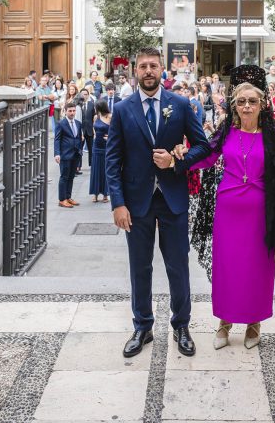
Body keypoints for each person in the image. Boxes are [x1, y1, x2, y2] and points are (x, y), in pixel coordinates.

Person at [178, 66, 275, 351]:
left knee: (257, 268)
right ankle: (225, 322)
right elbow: (206, 157)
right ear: (234, 105)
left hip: (260, 213)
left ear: (261, 105)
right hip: (228, 211)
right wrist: (180, 160)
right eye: (241, 101)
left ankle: (254, 323)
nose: (246, 106)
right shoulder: (225, 132)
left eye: (252, 101)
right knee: (227, 268)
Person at [105, 46, 211, 358]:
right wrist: (117, 204)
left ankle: (181, 325)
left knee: (178, 265)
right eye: (143, 66)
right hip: (135, 202)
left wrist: (176, 163)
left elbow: (202, 148)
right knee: (140, 266)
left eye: (153, 65)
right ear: (134, 72)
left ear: (162, 69)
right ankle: (143, 325)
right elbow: (112, 161)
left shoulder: (179, 104)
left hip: (172, 199)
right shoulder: (123, 110)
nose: (148, 71)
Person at [54, 102, 84, 208]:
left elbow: (79, 137)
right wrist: (57, 154)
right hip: (65, 154)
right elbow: (57, 139)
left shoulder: (78, 123)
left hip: (75, 154)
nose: (72, 113)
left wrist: (80, 150)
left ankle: (68, 197)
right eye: (70, 111)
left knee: (71, 177)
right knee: (64, 177)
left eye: (73, 110)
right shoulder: (61, 124)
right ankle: (62, 199)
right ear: (65, 111)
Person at [89, 99, 111, 203]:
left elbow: (116, 130)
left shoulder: (110, 116)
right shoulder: (96, 117)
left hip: (106, 146)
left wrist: (110, 138)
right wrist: (94, 135)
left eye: (96, 107)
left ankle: (105, 194)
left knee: (105, 169)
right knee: (95, 169)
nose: (95, 109)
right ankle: (95, 194)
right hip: (96, 146)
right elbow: (94, 128)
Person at [78, 88, 95, 172]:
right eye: (82, 94)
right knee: (79, 149)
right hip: (80, 130)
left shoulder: (91, 104)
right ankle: (78, 166)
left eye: (85, 94)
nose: (84, 96)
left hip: (89, 129)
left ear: (88, 95)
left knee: (91, 148)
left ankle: (92, 164)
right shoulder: (78, 105)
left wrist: (94, 130)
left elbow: (94, 117)